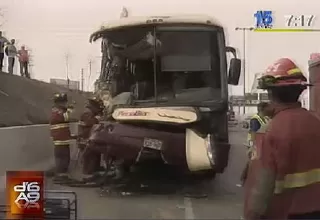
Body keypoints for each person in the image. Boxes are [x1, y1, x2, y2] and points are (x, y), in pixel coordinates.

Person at [244, 58, 320, 219]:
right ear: (299, 91)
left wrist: (250, 215)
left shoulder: (270, 131)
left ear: (270, 92)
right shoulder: (316, 122)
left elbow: (261, 187)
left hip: (285, 213)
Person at [240, 102, 270, 186]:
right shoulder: (255, 119)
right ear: (263, 109)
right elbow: (253, 132)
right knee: (252, 161)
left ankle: (247, 179)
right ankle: (244, 179)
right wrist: (253, 146)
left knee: (256, 161)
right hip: (254, 143)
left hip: (261, 143)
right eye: (267, 108)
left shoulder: (265, 118)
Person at [49, 93, 77, 183]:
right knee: (63, 156)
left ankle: (61, 172)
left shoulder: (55, 110)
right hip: (61, 140)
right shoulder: (59, 112)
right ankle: (61, 174)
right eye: (64, 102)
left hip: (60, 139)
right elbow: (65, 118)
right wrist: (69, 110)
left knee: (61, 156)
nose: (65, 104)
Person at [77, 96, 104, 182]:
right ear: (94, 106)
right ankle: (87, 176)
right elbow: (89, 122)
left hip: (90, 139)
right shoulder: (87, 113)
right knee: (89, 159)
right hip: (85, 140)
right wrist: (97, 119)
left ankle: (94, 174)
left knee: (94, 157)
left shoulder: (91, 113)